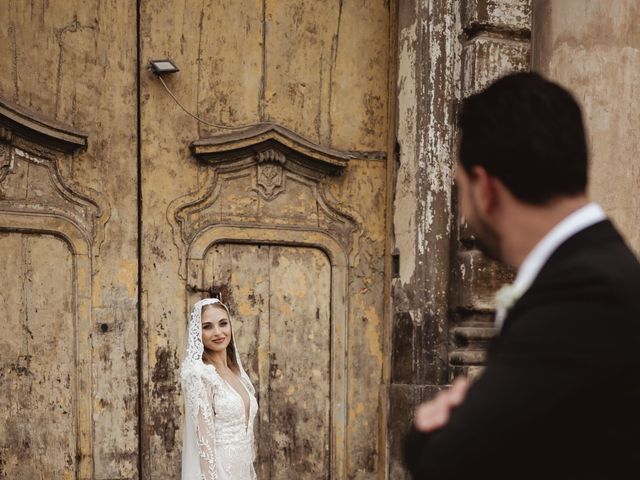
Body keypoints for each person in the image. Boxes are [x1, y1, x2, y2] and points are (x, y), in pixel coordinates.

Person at [404, 72, 640, 479]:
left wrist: (429, 427)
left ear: (485, 190)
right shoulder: (595, 269)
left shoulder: (582, 295)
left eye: (460, 189)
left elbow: (447, 460)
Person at [181, 298, 258, 480]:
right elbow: (204, 446)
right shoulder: (199, 374)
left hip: (242, 471)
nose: (218, 332)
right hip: (219, 473)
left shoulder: (236, 373)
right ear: (197, 333)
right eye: (207, 327)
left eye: (223, 324)